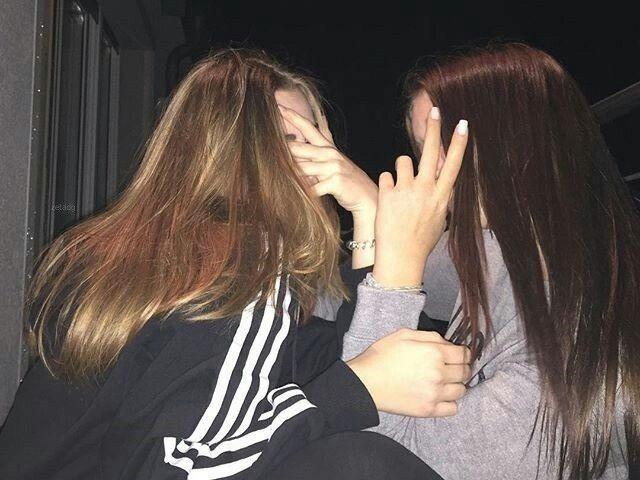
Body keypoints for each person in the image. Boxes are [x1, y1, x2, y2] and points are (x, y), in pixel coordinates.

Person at [0, 48, 471, 480]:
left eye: (319, 139)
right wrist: (358, 386)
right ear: (238, 148)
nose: (326, 161)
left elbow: (336, 358)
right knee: (363, 462)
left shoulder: (155, 254)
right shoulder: (243, 266)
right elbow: (178, 469)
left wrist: (368, 216)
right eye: (295, 139)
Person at [334, 42, 639, 480]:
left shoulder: (575, 351)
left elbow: (371, 456)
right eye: (424, 146)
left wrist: (396, 273)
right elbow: (355, 284)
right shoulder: (502, 248)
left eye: (445, 140)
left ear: (516, 137)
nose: (429, 169)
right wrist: (369, 211)